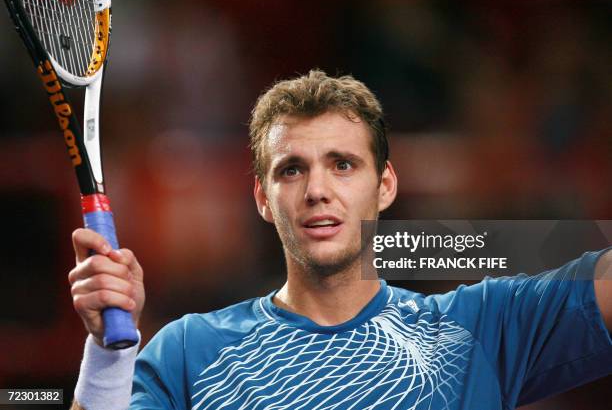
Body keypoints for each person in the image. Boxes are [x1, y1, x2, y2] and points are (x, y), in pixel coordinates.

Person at [69, 70, 612, 410]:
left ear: (386, 186)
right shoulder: (190, 350)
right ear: (262, 197)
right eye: (291, 170)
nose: (317, 190)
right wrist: (108, 357)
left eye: (343, 165)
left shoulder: (479, 326)